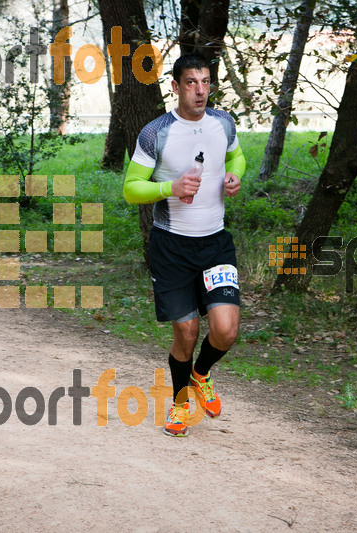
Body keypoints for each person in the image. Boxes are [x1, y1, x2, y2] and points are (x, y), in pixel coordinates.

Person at [123, 53, 246, 437]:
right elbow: (130, 189)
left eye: (206, 82)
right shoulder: (155, 132)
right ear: (175, 87)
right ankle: (179, 405)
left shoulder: (223, 122)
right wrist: (168, 188)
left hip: (215, 243)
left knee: (225, 330)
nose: (200, 90)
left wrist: (233, 175)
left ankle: (201, 374)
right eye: (191, 82)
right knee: (187, 332)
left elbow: (237, 156)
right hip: (171, 246)